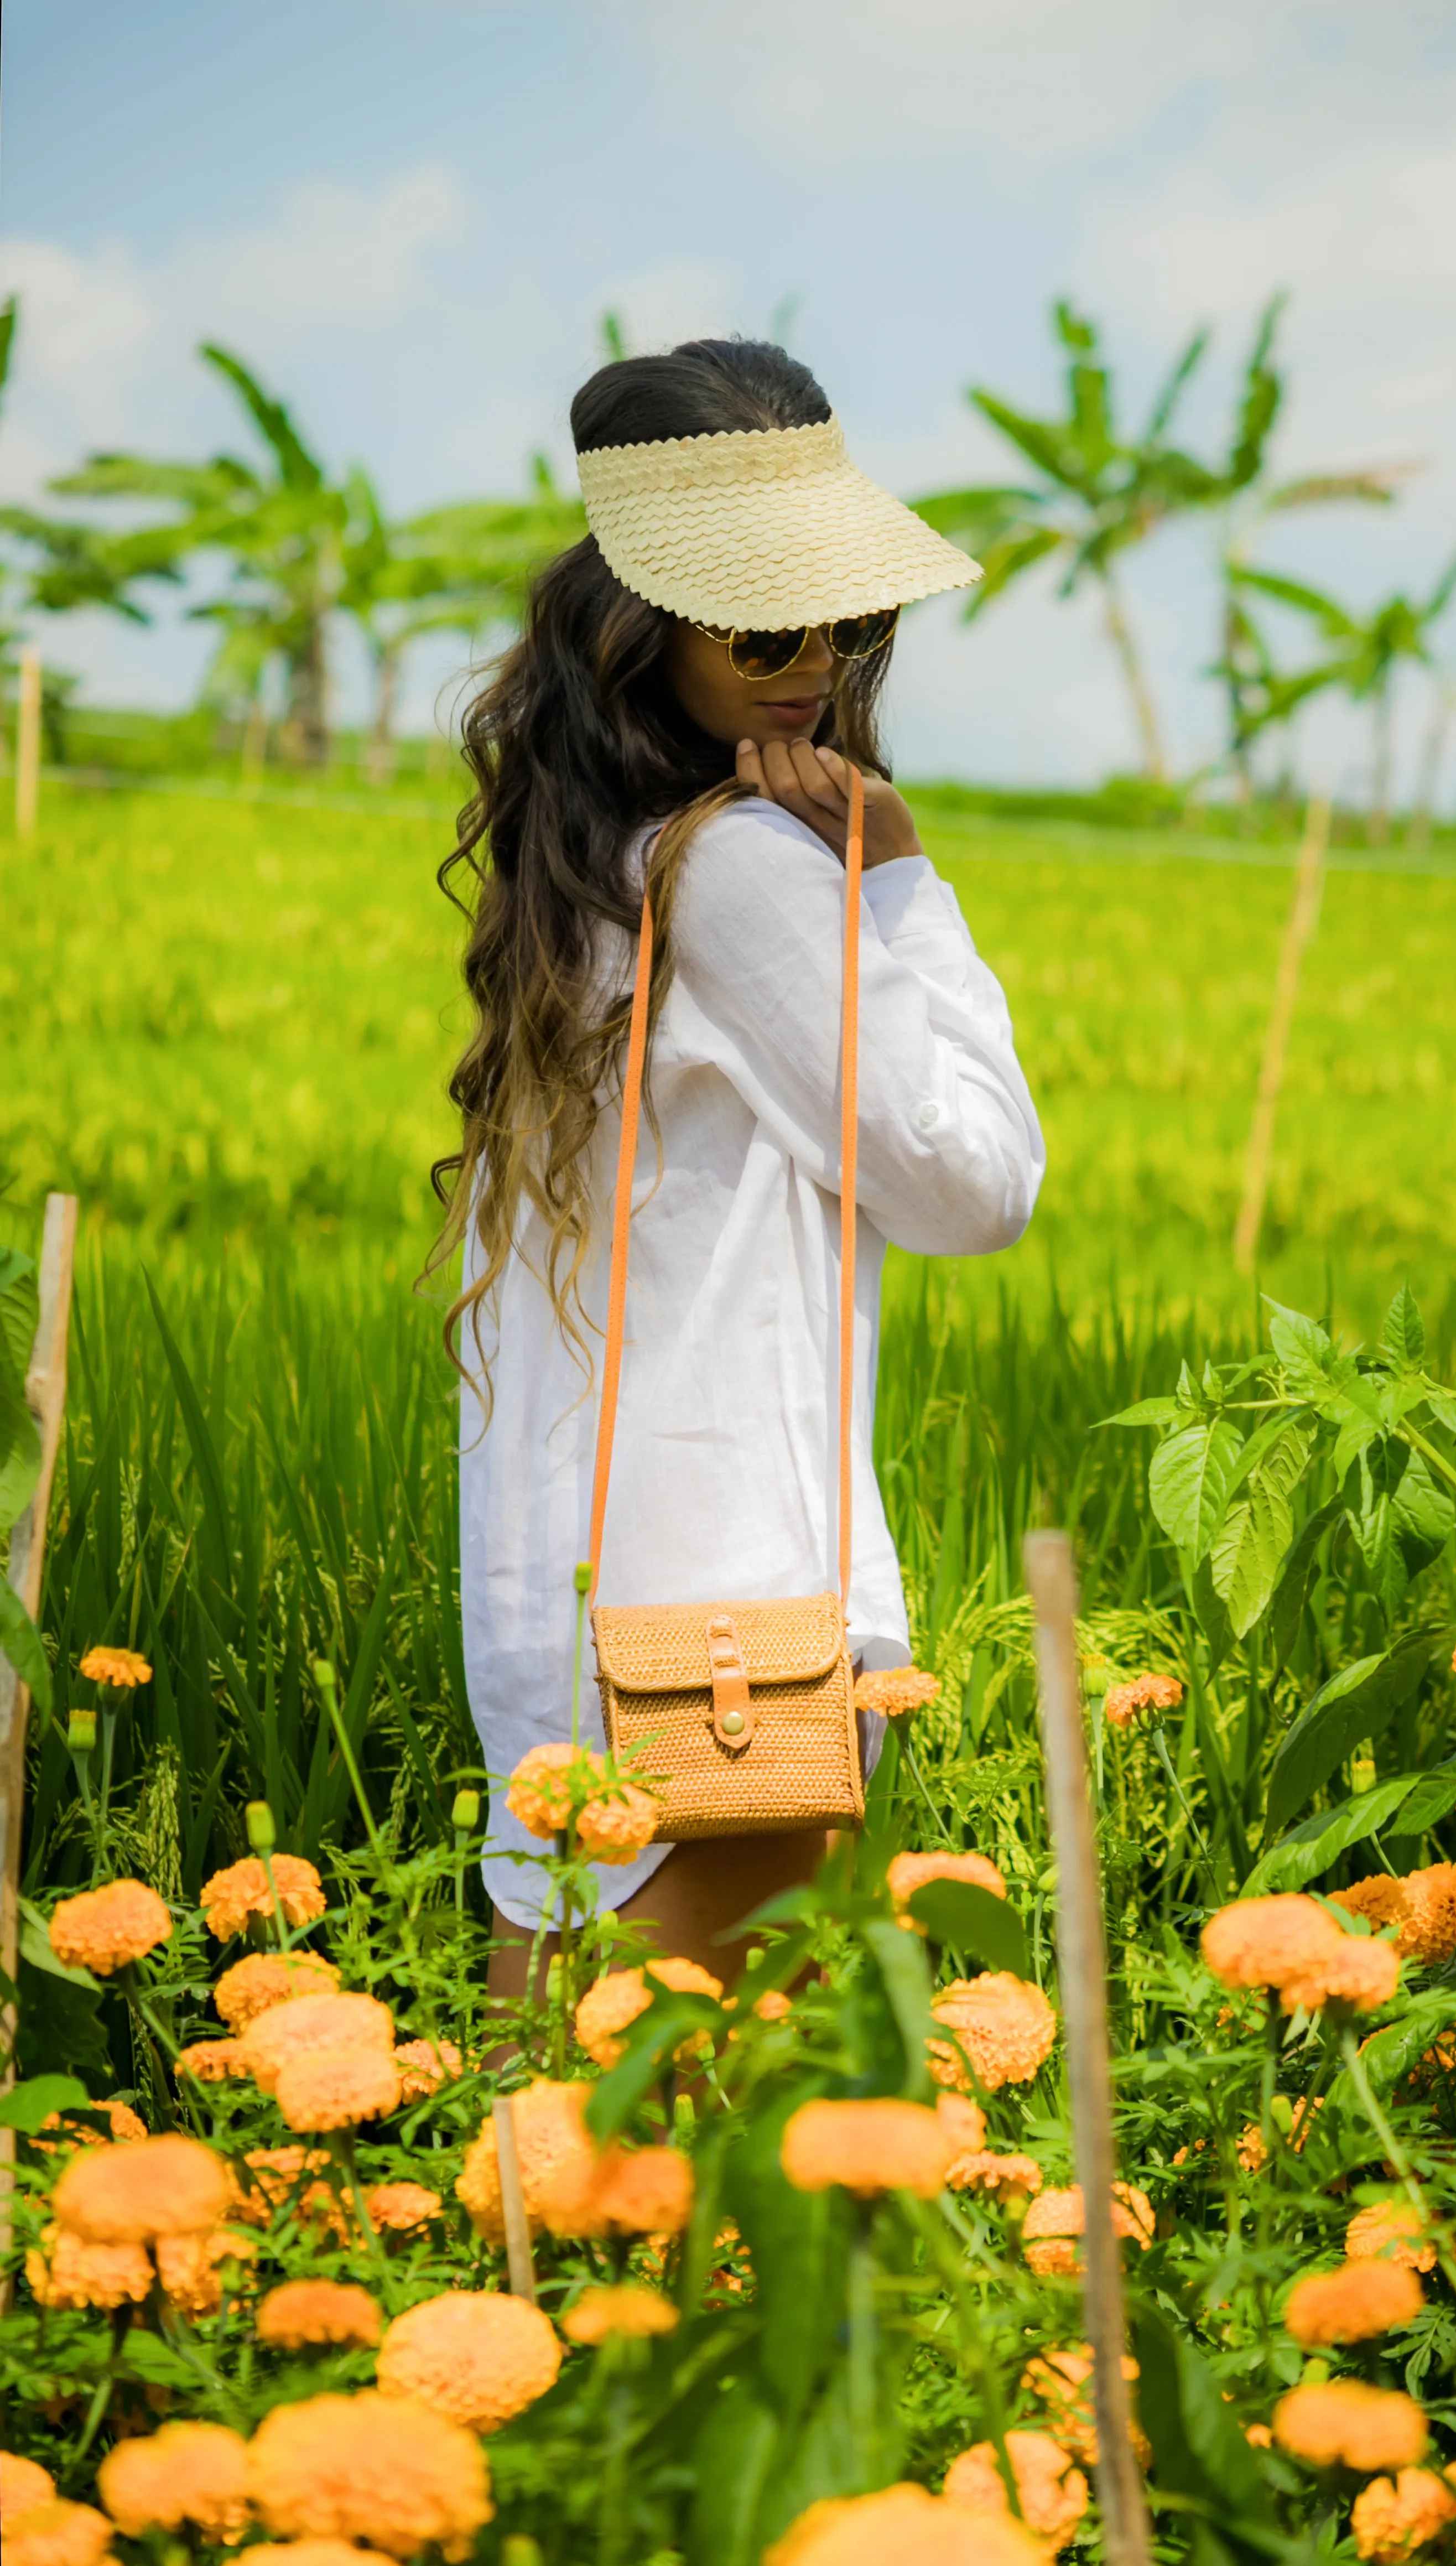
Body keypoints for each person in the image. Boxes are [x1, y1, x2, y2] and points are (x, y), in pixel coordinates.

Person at [433, 336, 1044, 1994]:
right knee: (728, 2180)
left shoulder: (589, 872)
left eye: (848, 620)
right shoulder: (750, 871)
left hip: (571, 1624)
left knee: (555, 2161)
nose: (818, 661)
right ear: (647, 631)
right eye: (765, 624)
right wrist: (906, 888)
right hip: (729, 1635)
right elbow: (974, 1184)